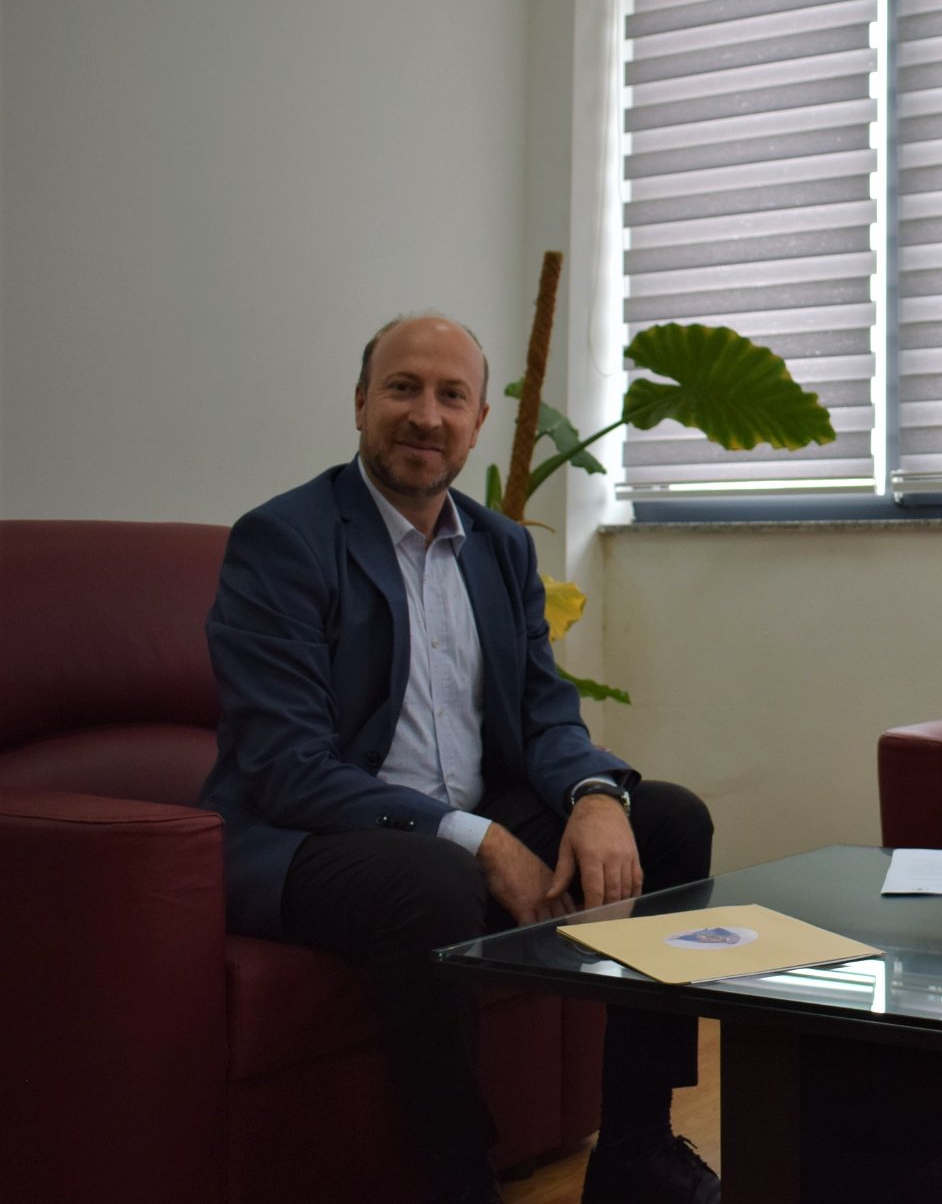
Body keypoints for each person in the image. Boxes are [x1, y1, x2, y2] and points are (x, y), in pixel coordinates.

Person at [200, 315, 719, 1204]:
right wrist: (476, 837)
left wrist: (597, 793)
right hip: (310, 833)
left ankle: (636, 1146)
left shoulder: (503, 547)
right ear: (362, 403)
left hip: (454, 821)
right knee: (432, 880)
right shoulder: (282, 540)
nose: (426, 415)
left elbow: (547, 714)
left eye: (451, 396)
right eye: (402, 388)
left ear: (479, 420)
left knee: (667, 820)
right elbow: (286, 765)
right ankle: (453, 1177)